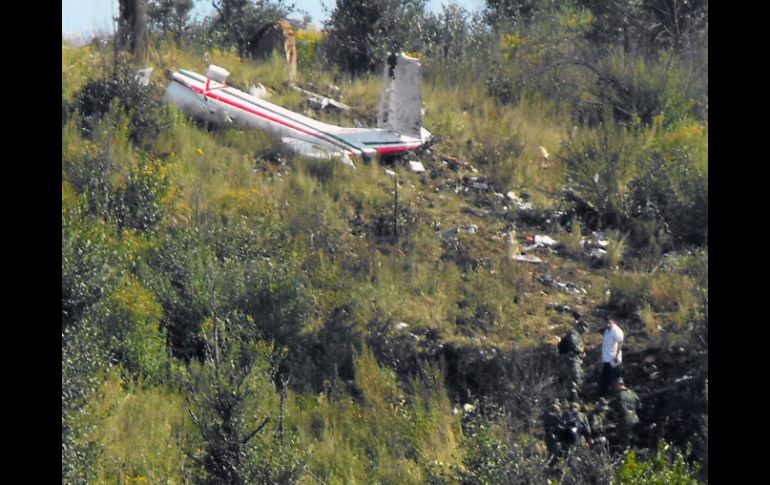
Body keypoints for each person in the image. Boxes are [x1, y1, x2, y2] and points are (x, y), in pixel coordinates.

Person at [598, 319, 624, 397]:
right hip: (606, 359)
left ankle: (619, 396)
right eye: (607, 323)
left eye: (609, 323)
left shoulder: (617, 331)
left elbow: (620, 343)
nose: (608, 325)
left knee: (615, 377)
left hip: (613, 359)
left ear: (613, 322)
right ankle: (602, 395)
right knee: (605, 377)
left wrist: (616, 355)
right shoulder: (607, 330)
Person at [613, 378, 641, 450]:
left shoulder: (620, 395)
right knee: (634, 439)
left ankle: (626, 456)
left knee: (624, 441)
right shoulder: (633, 393)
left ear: (618, 385)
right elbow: (640, 406)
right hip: (635, 419)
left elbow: (621, 409)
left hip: (625, 421)